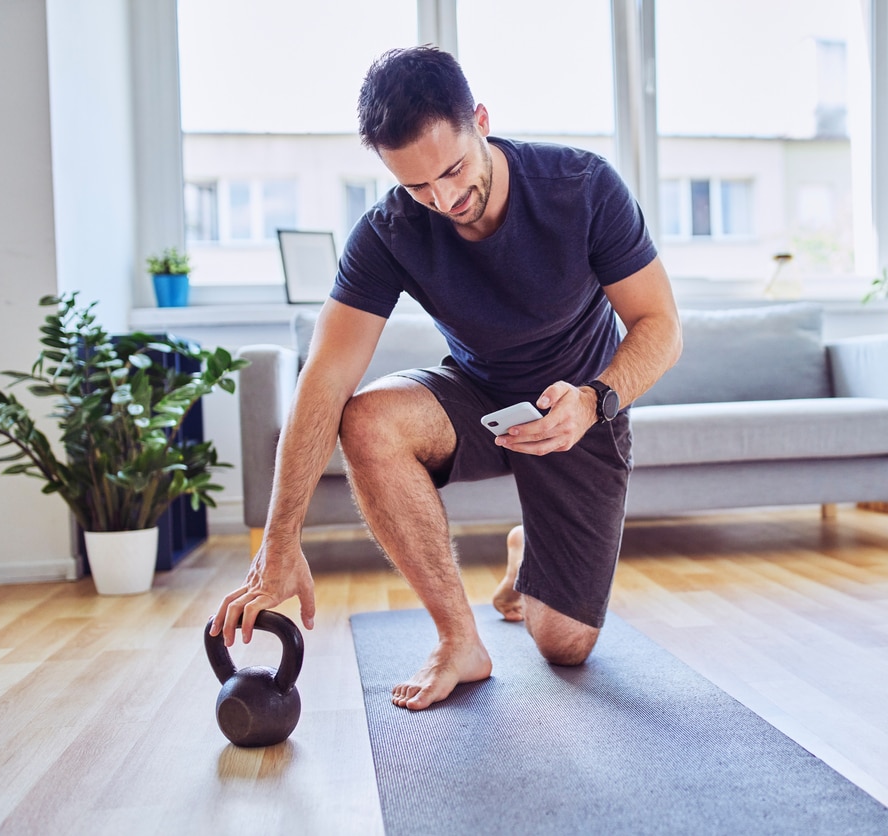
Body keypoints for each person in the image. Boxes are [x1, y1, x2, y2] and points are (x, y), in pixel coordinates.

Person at [211, 45, 682, 711]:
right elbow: (322, 382)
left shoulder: (580, 187)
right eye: (416, 187)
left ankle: (527, 557)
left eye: (453, 170)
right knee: (366, 418)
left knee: (563, 645)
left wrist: (594, 398)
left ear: (481, 120)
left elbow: (660, 325)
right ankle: (458, 638)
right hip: (479, 394)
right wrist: (279, 543)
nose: (443, 199)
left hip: (578, 407)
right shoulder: (389, 231)